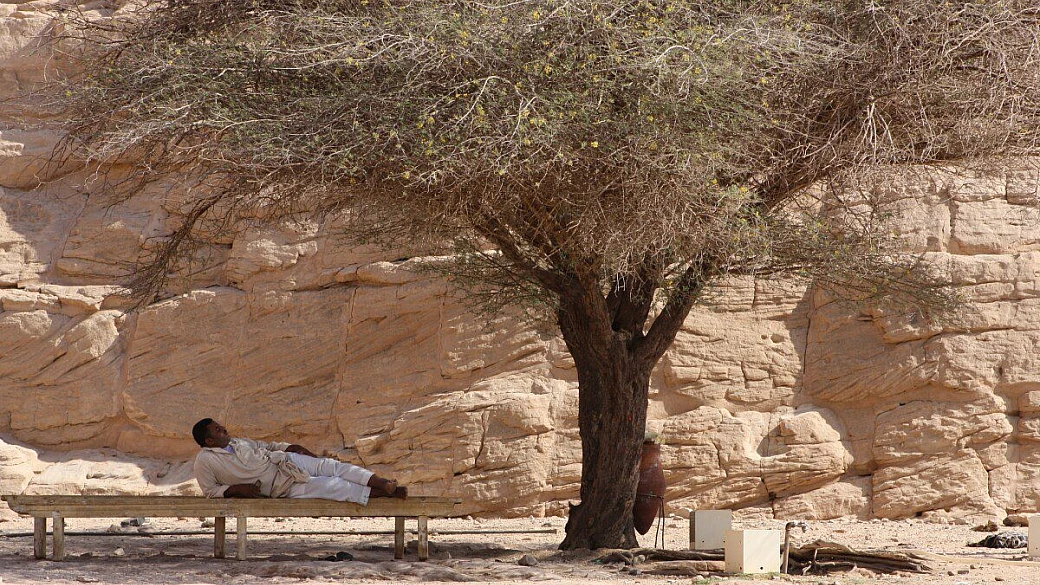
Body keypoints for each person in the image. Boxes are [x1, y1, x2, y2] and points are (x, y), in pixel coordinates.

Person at [192, 418, 405, 503]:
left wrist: (289, 447)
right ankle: (390, 494)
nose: (224, 430)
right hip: (280, 486)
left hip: (285, 461)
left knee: (332, 466)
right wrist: (236, 489)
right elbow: (210, 491)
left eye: (221, 426)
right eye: (218, 430)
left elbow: (267, 447)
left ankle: (382, 483)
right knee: (333, 487)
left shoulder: (238, 442)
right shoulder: (205, 461)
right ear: (209, 440)